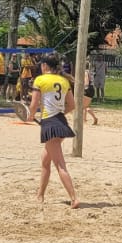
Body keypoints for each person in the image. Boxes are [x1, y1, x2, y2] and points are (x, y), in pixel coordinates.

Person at [24, 53, 79, 208]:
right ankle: (40, 195)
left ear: (44, 66)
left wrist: (31, 115)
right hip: (61, 122)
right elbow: (72, 105)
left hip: (50, 125)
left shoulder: (40, 80)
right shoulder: (64, 81)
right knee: (45, 161)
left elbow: (34, 104)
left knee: (60, 165)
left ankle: (74, 198)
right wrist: (59, 115)